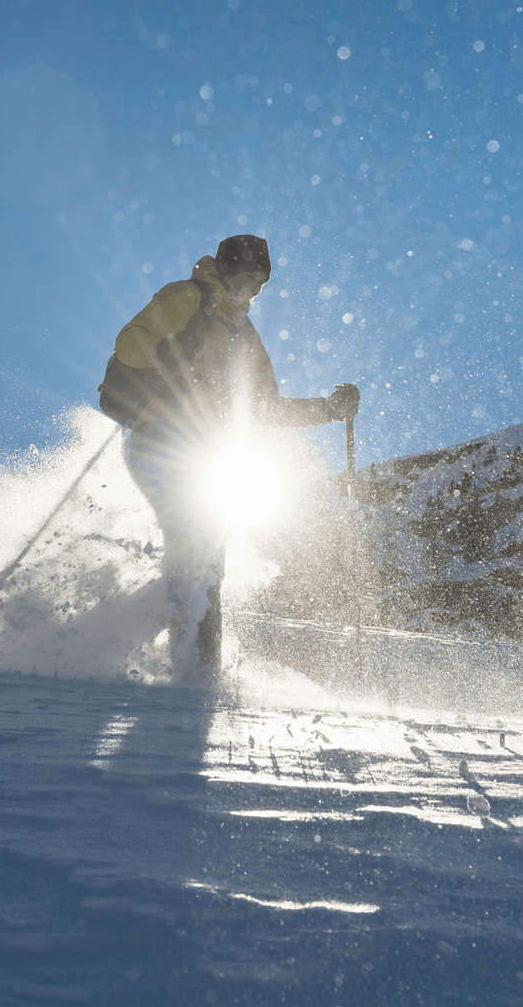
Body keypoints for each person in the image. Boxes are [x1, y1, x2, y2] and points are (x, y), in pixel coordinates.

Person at [99, 235, 359, 682]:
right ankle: (196, 675)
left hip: (205, 457)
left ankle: (118, 637)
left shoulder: (246, 335)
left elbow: (266, 408)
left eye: (259, 285)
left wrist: (329, 410)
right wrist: (164, 365)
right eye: (246, 277)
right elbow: (130, 341)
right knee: (198, 548)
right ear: (224, 269)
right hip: (159, 441)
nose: (251, 290)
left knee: (207, 560)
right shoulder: (188, 296)